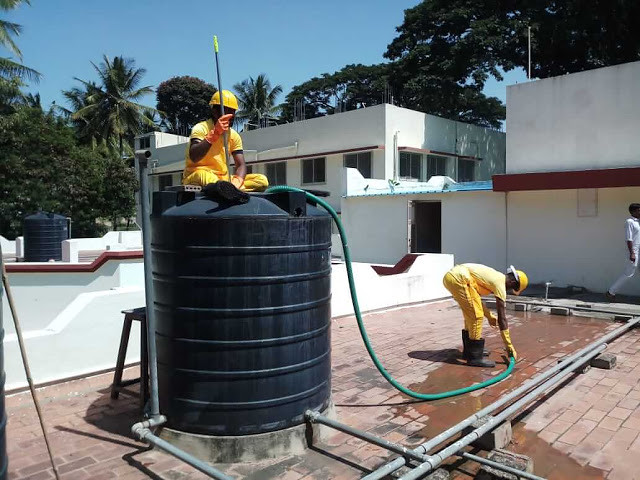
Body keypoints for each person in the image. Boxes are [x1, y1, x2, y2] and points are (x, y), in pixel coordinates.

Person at [443, 263, 528, 367]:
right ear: (512, 281)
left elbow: (476, 299)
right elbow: (502, 318)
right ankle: (474, 358)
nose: (509, 290)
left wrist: (489, 316)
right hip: (459, 278)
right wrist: (509, 346)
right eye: (512, 288)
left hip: (455, 277)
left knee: (471, 313)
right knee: (476, 317)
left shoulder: (493, 277)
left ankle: (469, 352)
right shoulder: (500, 283)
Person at [182, 90, 268, 191]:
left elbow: (241, 165)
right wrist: (215, 133)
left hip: (223, 179)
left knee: (261, 180)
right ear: (214, 112)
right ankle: (226, 189)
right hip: (197, 175)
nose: (232, 116)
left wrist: (238, 181)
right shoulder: (201, 128)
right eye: (227, 111)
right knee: (207, 178)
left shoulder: (234, 135)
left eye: (233, 112)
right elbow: (194, 157)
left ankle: (229, 190)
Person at [605, 203, 640, 301]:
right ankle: (611, 292)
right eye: (639, 210)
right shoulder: (629, 222)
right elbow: (629, 239)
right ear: (633, 211)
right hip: (634, 252)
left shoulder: (639, 222)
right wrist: (632, 253)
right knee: (629, 273)